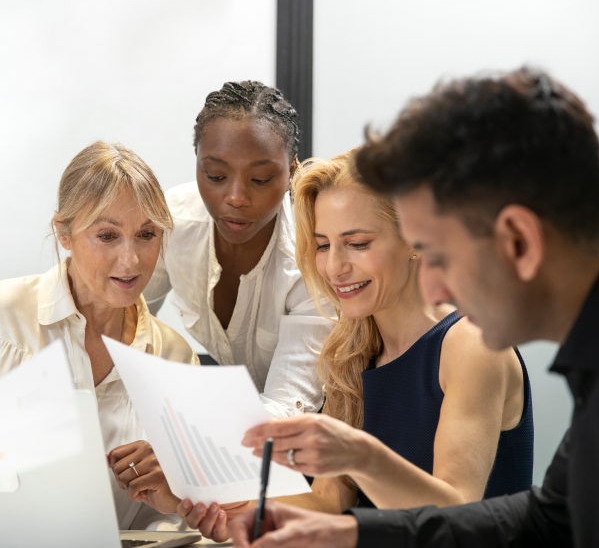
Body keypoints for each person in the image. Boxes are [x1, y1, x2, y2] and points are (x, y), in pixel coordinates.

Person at [229, 67, 599, 548]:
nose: (436, 282)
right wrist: (347, 531)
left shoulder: (467, 345)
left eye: (442, 255)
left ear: (518, 240)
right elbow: (550, 517)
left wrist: (362, 460)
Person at [240, 150, 532, 513]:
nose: (334, 267)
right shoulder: (352, 351)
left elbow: (454, 513)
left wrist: (359, 455)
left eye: (358, 244)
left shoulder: (473, 345)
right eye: (323, 245)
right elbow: (329, 502)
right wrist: (215, 501)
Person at [0, 141, 198, 530]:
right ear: (64, 232)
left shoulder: (174, 358)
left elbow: (178, 521)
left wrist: (176, 492)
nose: (131, 260)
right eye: (107, 236)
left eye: (147, 234)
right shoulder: (5, 319)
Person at [143, 80, 334, 419]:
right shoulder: (174, 223)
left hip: (323, 431)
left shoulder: (313, 261)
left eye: (260, 179)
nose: (235, 198)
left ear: (291, 172)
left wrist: (184, 443)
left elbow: (285, 408)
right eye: (215, 175)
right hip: (230, 415)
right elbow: (122, 320)